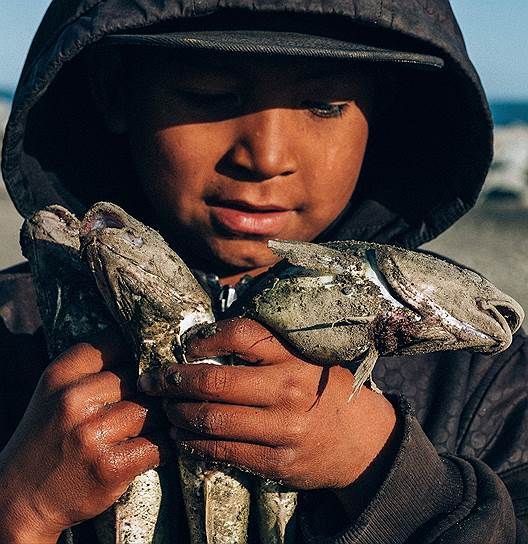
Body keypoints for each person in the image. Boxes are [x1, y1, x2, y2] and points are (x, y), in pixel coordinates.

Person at [0, 2, 526, 543]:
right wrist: (20, 509)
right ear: (114, 93)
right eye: (211, 97)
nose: (267, 156)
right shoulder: (10, 327)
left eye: (323, 105)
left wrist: (386, 467)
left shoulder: (473, 363)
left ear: (382, 110)